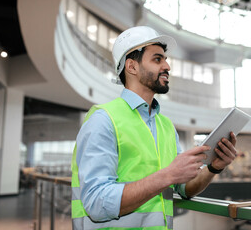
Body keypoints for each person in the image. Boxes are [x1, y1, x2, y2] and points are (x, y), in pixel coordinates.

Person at [71, 26, 238, 229]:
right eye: (157, 59)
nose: (167, 66)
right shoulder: (103, 120)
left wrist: (213, 167)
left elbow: (184, 188)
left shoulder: (166, 126)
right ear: (131, 66)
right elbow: (96, 203)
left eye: (165, 59)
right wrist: (167, 175)